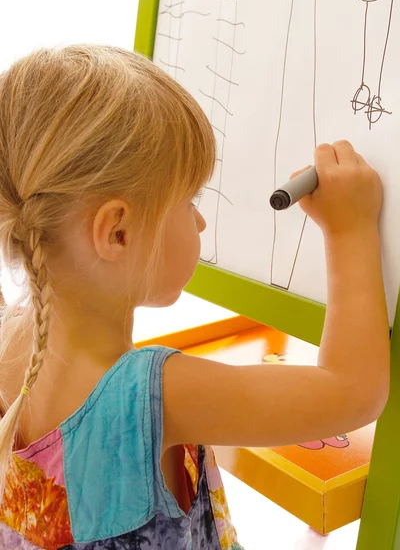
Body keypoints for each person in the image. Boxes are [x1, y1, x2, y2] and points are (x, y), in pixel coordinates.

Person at [0, 44, 390, 550]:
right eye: (189, 201)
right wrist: (351, 229)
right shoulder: (157, 395)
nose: (200, 220)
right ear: (117, 232)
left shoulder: (14, 344)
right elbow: (353, 392)